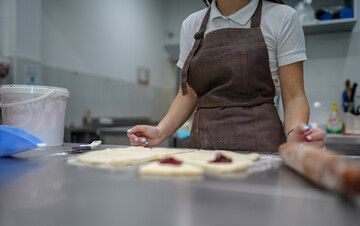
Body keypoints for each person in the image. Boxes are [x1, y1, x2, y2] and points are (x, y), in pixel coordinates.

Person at [127, 0, 325, 152]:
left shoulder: (282, 17)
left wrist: (295, 137)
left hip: (263, 151)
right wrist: (160, 131)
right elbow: (188, 94)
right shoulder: (191, 25)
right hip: (201, 151)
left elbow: (294, 97)